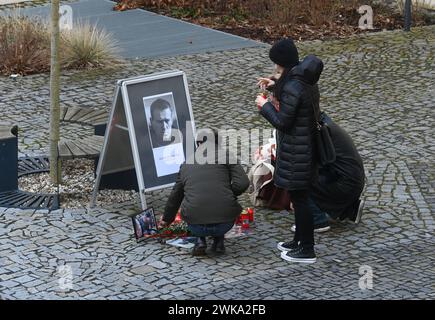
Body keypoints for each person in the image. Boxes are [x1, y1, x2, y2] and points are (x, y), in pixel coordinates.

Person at [256, 38, 323, 264]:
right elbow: (293, 93)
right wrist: (275, 85)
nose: (275, 67)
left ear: (281, 62)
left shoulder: (294, 85)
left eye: (276, 63)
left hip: (298, 151)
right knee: (299, 197)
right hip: (303, 149)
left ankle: (307, 249)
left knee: (301, 200)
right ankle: (298, 241)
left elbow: (283, 122)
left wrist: (263, 106)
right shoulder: (302, 78)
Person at [159, 130, 250, 256]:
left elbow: (176, 196)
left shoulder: (186, 164)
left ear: (198, 144)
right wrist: (229, 193)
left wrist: (167, 219)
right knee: (220, 205)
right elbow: (243, 183)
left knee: (193, 202)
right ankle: (219, 241)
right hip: (225, 222)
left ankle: (200, 240)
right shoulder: (227, 156)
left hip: (195, 223)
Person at [289, 112, 366, 233]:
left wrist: (296, 197)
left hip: (346, 184)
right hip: (352, 180)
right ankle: (349, 209)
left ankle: (316, 221)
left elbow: (305, 165)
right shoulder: (322, 123)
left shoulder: (316, 130)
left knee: (299, 177)